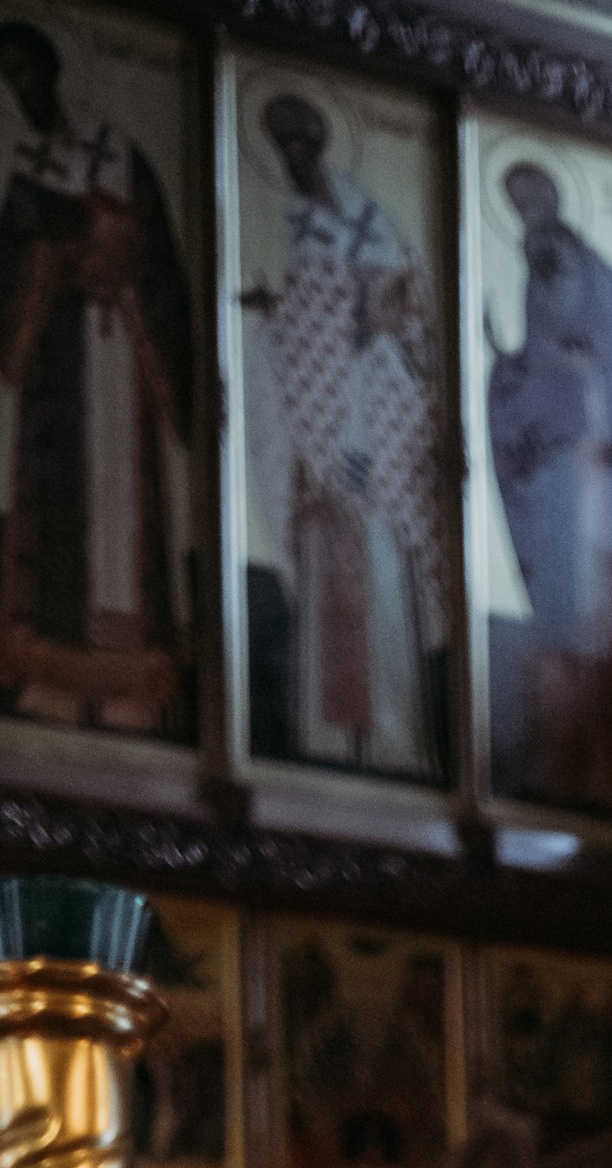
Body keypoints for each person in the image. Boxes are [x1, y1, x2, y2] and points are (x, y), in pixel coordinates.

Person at [0, 17, 196, 733]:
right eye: (8, 79)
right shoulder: (29, 164)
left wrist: (116, 261)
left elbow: (157, 258)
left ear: (52, 70)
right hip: (59, 361)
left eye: (27, 71)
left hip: (116, 350)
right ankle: (58, 682)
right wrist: (45, 265)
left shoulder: (116, 152)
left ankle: (133, 687)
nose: (22, 87)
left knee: (122, 513)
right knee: (61, 506)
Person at [240, 89, 448, 776]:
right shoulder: (293, 230)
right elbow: (299, 331)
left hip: (383, 438)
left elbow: (413, 327)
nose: (295, 157)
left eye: (303, 142)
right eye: (283, 146)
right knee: (332, 587)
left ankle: (394, 739)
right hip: (324, 447)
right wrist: (276, 317)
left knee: (387, 588)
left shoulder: (376, 223)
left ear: (322, 143)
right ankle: (329, 741)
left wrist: (381, 323)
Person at [484, 156, 612, 809]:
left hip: (594, 473)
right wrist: (512, 369)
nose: (528, 211)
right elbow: (542, 359)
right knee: (565, 621)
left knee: (599, 617)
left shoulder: (587, 273)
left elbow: (601, 360)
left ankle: (608, 767)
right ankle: (570, 762)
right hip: (562, 473)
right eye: (517, 201)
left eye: (533, 195)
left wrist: (570, 377)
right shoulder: (541, 263)